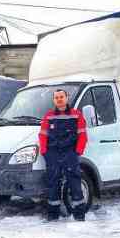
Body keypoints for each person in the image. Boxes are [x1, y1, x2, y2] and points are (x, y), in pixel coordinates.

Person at [39, 89, 88, 221]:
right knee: (53, 184)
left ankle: (79, 215)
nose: (59, 99)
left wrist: (77, 152)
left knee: (75, 183)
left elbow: (82, 135)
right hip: (53, 153)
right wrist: (44, 152)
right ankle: (53, 215)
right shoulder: (48, 116)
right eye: (56, 97)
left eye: (61, 97)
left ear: (67, 98)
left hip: (70, 153)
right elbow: (42, 135)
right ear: (54, 100)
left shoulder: (76, 115)